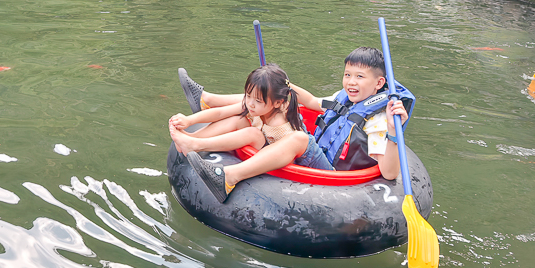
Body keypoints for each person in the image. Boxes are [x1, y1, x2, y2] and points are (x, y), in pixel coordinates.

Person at [175, 47, 411, 199]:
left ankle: (229, 176)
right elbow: (311, 101)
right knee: (265, 96)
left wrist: (393, 131)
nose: (351, 82)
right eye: (347, 74)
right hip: (317, 151)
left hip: (330, 172)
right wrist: (283, 84)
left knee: (299, 138)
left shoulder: (378, 121)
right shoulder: (344, 98)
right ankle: (195, 131)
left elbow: (389, 173)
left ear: (379, 83)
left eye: (360, 77)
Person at [169, 63, 333, 202]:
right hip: (268, 144)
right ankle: (191, 139)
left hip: (299, 164)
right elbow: (220, 112)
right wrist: (189, 121)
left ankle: (198, 146)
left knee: (253, 134)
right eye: (248, 96)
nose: (251, 104)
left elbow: (288, 159)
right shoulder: (257, 106)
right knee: (237, 120)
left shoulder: (283, 127)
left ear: (277, 103)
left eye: (258, 100)